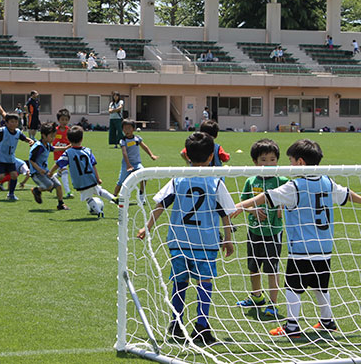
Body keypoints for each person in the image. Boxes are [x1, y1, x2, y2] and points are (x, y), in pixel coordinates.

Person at [233, 139, 361, 338]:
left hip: (301, 249)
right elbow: (348, 194)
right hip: (324, 249)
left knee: (292, 287)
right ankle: (327, 321)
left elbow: (264, 197)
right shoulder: (327, 182)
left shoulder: (295, 186)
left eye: (290, 161)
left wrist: (240, 205)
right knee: (321, 286)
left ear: (300, 162)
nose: (289, 166)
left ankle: (292, 326)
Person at [137, 132, 236, 345]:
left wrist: (147, 227)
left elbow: (161, 204)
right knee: (204, 282)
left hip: (179, 241)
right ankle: (201, 326)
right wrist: (228, 239)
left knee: (180, 281)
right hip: (206, 242)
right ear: (212, 157)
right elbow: (226, 213)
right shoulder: (215, 182)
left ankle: (176, 323)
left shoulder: (178, 178)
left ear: (187, 156)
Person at [234, 139, 288, 317]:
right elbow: (243, 204)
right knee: (253, 267)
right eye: (263, 159)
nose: (268, 163)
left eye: (272, 159)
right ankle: (257, 297)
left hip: (273, 232)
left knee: (272, 269)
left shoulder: (283, 180)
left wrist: (283, 207)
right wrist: (252, 210)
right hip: (254, 231)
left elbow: (292, 202)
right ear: (255, 162)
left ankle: (273, 303)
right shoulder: (251, 181)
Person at [48, 125, 116, 218]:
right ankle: (113, 198)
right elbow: (93, 165)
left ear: (68, 139)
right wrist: (98, 178)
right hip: (91, 178)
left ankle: (98, 211)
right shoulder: (88, 151)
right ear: (82, 139)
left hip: (80, 181)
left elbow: (58, 164)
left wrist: (51, 172)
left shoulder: (68, 153)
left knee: (88, 198)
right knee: (99, 191)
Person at [0, 113, 34, 201]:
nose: (13, 124)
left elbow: (24, 138)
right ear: (6, 123)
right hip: (1, 159)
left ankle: (11, 194)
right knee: (0, 176)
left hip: (11, 159)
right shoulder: (2, 131)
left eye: (15, 122)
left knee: (14, 175)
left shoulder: (18, 132)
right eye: (11, 122)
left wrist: (30, 140)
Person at [29, 122, 70, 211]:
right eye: (51, 136)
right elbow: (31, 160)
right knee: (49, 186)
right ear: (43, 135)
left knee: (58, 185)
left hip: (45, 171)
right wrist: (39, 169)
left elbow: (54, 149)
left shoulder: (46, 145)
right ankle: (37, 190)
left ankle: (60, 204)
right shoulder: (39, 147)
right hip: (37, 173)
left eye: (54, 136)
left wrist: (65, 148)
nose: (53, 138)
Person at [113, 119, 158, 198]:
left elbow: (144, 147)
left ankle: (141, 194)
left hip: (137, 164)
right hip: (126, 165)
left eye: (129, 128)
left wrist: (151, 155)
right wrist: (128, 165)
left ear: (133, 129)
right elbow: (124, 153)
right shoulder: (123, 141)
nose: (127, 130)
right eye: (125, 128)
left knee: (144, 176)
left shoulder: (137, 139)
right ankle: (114, 196)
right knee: (121, 181)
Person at [53, 108, 73, 199]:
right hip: (58, 155)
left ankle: (52, 178)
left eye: (66, 120)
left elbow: (73, 141)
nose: (64, 122)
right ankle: (68, 191)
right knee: (65, 171)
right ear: (58, 120)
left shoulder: (69, 131)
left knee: (60, 172)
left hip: (67, 155)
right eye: (62, 119)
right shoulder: (54, 130)